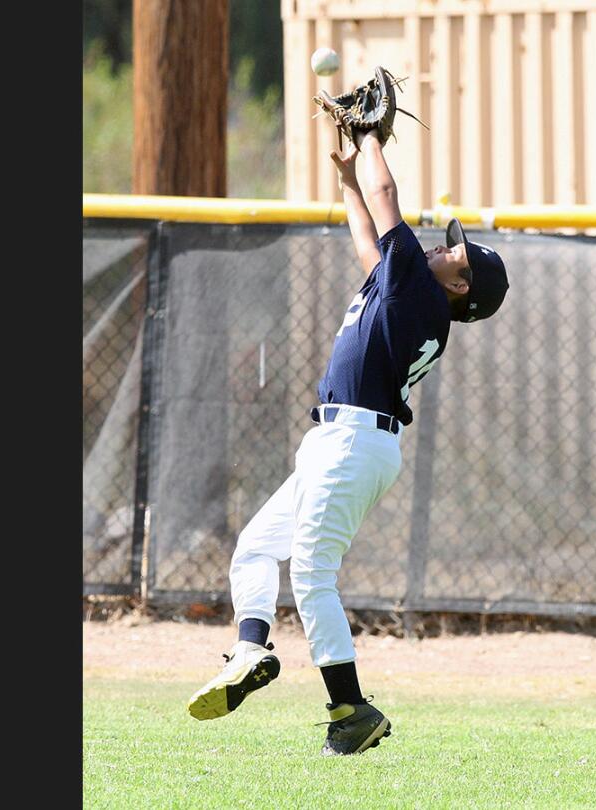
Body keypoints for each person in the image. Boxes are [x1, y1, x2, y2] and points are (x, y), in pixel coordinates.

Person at [186, 102, 510, 756]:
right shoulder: (403, 286)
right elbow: (368, 238)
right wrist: (345, 180)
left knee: (310, 572)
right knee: (255, 549)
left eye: (458, 253)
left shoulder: (421, 295)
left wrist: (368, 139)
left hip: (356, 439)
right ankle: (252, 652)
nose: (446, 246)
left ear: (460, 287)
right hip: (341, 441)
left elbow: (386, 194)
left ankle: (350, 707)